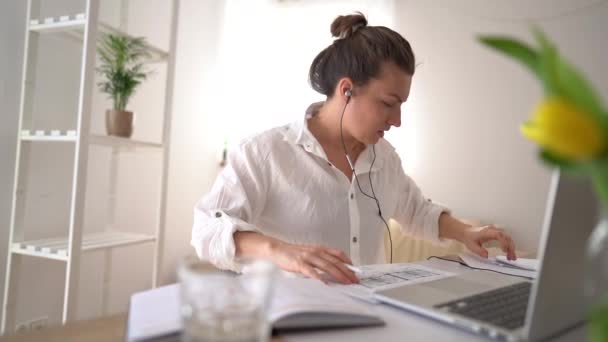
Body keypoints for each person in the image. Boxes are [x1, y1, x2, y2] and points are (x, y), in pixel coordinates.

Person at [191, 12, 517, 285]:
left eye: (402, 105)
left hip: (370, 321)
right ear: (346, 90)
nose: (398, 120)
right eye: (389, 104)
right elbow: (207, 228)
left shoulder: (385, 158)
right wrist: (279, 250)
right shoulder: (264, 152)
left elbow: (417, 210)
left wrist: (467, 232)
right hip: (286, 323)